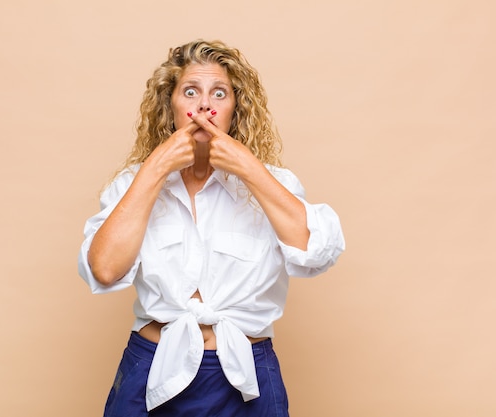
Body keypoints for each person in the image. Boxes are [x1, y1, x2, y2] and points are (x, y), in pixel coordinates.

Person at [77, 39, 345, 417]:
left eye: (219, 93)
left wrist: (250, 168)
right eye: (190, 92)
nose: (204, 105)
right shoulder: (132, 184)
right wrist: (155, 168)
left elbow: (317, 253)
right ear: (170, 106)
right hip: (152, 366)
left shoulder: (272, 181)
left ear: (235, 110)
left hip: (245, 374)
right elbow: (104, 270)